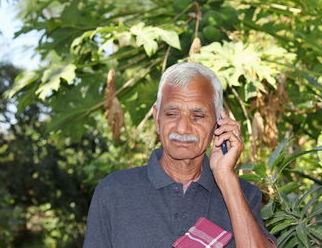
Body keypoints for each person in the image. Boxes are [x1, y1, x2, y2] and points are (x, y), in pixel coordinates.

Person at [83, 62, 276, 247]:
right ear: (157, 119)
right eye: (172, 114)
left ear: (218, 123)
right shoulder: (115, 190)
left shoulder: (243, 195)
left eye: (197, 116)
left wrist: (225, 176)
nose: (183, 128)